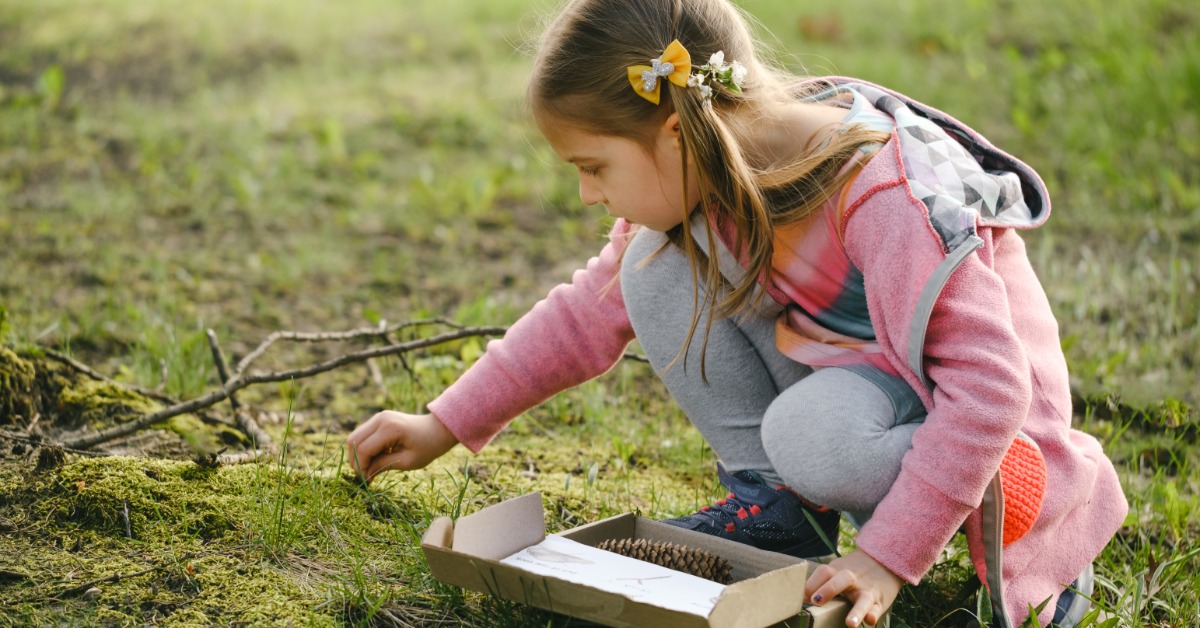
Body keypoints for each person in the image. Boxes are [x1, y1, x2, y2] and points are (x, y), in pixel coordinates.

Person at [345, 0, 1127, 626]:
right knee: (649, 263)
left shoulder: (885, 195)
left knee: (812, 438)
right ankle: (778, 508)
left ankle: (1030, 503)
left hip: (990, 413)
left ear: (677, 131)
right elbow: (584, 316)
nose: (586, 192)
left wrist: (885, 558)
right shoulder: (710, 177)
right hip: (865, 381)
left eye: (593, 167)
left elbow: (991, 389)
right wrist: (441, 424)